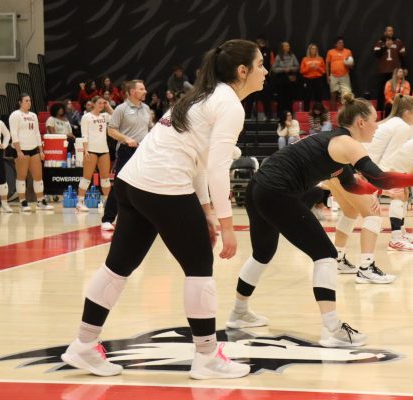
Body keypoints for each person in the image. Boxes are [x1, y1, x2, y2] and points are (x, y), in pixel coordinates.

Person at [61, 39, 267, 380]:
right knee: (200, 266)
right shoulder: (229, 105)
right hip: (163, 185)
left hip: (132, 184)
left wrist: (206, 210)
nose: (266, 71)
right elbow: (216, 167)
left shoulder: (199, 96)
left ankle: (83, 345)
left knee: (118, 267)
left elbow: (199, 163)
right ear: (242, 71)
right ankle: (206, 357)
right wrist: (227, 224)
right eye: (260, 64)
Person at [225, 92, 413, 347]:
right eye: (373, 121)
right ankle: (332, 329)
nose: (376, 126)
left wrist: (378, 190)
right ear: (360, 122)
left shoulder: (338, 145)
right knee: (325, 255)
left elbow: (352, 184)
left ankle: (238, 313)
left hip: (258, 188)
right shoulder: (347, 142)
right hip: (276, 191)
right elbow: (380, 176)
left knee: (262, 254)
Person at [367, 94, 413, 251]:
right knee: (398, 193)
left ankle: (400, 233)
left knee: (402, 192)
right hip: (368, 168)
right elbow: (388, 157)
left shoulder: (398, 124)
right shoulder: (402, 127)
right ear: (407, 113)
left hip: (370, 165)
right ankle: (396, 239)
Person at [100, 80, 152, 231]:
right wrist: (126, 139)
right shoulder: (121, 109)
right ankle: (108, 219)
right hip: (126, 151)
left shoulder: (146, 108)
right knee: (120, 185)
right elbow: (111, 130)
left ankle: (143, 218)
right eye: (142, 89)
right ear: (132, 92)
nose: (145, 91)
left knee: (145, 185)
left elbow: (149, 129)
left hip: (143, 151)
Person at [9, 94, 53, 212]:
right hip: (21, 149)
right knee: (22, 176)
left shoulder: (33, 115)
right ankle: (22, 202)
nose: (29, 103)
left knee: (38, 176)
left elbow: (37, 133)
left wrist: (41, 150)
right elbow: (14, 134)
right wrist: (18, 151)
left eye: (30, 101)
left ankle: (40, 201)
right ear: (20, 102)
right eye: (26, 101)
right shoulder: (15, 115)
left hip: (34, 148)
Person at [76, 96, 114, 212]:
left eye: (103, 104)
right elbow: (84, 135)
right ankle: (80, 203)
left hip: (104, 150)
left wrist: (108, 106)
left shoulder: (105, 116)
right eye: (99, 103)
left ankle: (107, 202)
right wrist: (85, 150)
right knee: (87, 177)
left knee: (105, 178)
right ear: (93, 104)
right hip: (91, 150)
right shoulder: (86, 117)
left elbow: (116, 116)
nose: (101, 105)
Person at [373, 26, 406, 111]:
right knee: (381, 91)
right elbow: (376, 54)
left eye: (391, 31)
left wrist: (404, 67)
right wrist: (385, 47)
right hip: (383, 71)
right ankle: (380, 111)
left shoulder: (398, 42)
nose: (390, 32)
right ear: (385, 32)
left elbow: (403, 55)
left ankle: (398, 109)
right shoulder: (380, 42)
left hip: (395, 71)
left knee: (396, 90)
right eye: (388, 30)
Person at [271, 42, 299, 116]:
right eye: (286, 46)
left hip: (290, 79)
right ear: (282, 47)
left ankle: (289, 114)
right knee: (281, 98)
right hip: (281, 79)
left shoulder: (292, 56)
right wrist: (283, 69)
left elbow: (297, 66)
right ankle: (280, 114)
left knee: (289, 98)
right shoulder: (278, 56)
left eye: (288, 46)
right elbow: (274, 68)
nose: (288, 47)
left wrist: (290, 68)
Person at [326, 37, 354, 111]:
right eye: (339, 43)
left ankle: (346, 112)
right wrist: (327, 77)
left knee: (346, 95)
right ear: (335, 44)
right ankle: (332, 113)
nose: (341, 44)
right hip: (333, 76)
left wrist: (349, 64)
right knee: (333, 95)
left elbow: (351, 66)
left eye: (342, 43)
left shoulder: (348, 51)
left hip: (344, 76)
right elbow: (327, 65)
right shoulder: (330, 52)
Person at [300, 43, 326, 111]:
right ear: (309, 50)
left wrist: (317, 68)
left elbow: (323, 71)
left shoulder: (320, 59)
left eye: (315, 49)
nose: (314, 50)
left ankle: (319, 112)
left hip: (318, 79)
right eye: (312, 49)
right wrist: (309, 67)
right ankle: (306, 112)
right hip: (308, 80)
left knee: (318, 97)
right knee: (307, 97)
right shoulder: (305, 59)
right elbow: (301, 71)